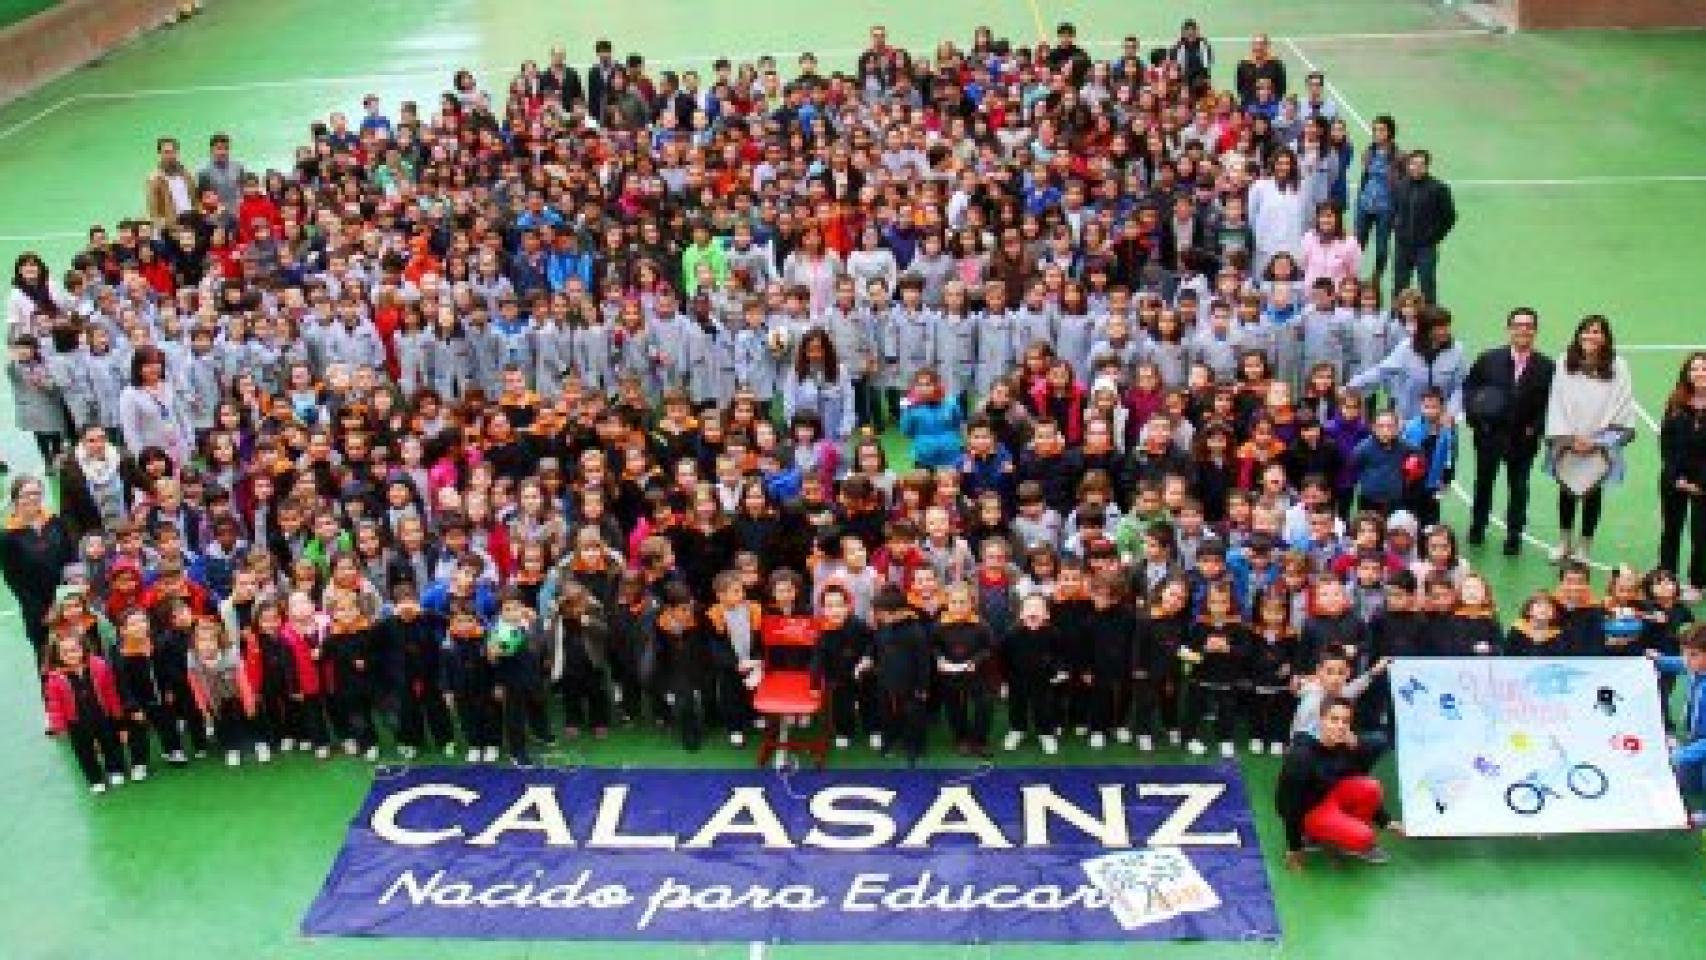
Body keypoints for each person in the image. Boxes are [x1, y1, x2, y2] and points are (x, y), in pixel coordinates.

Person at [1544, 315, 1635, 565]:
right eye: (1586, 330)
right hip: (1569, 440)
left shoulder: (1618, 365)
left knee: (1593, 494)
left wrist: (1599, 441)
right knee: (1566, 491)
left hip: (1601, 444)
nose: (1591, 336)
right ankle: (1564, 542)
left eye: (1597, 331)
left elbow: (1623, 403)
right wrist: (1569, 438)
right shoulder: (1565, 361)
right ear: (1578, 334)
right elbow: (1557, 399)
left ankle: (1584, 547)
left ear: (1605, 337)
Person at [1463, 307, 1555, 554]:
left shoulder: (1546, 367)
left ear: (1535, 331)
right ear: (1509, 329)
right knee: (1483, 483)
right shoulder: (1488, 359)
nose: (1523, 329)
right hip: (1489, 435)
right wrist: (1476, 421)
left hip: (1522, 440)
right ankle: (1478, 526)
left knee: (1519, 488)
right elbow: (1469, 390)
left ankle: (1514, 534)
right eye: (1518, 325)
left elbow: (1550, 404)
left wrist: (1535, 429)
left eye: (1528, 325)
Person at [1276, 697, 1400, 869]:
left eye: (1345, 721)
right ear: (1321, 720)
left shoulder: (1342, 745)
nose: (1340, 726)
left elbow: (1355, 779)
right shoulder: (1301, 756)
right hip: (1306, 810)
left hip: (1326, 796)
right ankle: (1311, 837)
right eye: (1334, 719)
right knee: (1364, 837)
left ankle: (1341, 838)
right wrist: (1294, 848)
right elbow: (1289, 806)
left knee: (1371, 787)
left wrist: (1386, 822)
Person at [1, 473, 77, 658]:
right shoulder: (7, 536)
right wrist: (44, 611)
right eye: (27, 494)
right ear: (15, 499)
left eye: (36, 493)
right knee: (49, 658)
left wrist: (70, 596)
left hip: (69, 603)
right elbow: (15, 582)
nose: (33, 498)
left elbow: (71, 558)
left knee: (79, 651)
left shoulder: (55, 522)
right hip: (39, 612)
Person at [1659, 352, 1706, 601]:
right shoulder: (1676, 402)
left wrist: (1699, 483)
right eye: (1694, 369)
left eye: (1703, 368)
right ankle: (1666, 578)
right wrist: (1676, 477)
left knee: (1701, 534)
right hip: (1675, 479)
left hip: (1703, 485)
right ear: (1687, 374)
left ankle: (1698, 582)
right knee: (1671, 530)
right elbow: (1667, 442)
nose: (1699, 373)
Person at [1650, 625, 1706, 828]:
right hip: (1697, 739)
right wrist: (1659, 661)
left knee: (1683, 760)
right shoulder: (1696, 667)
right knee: (1689, 782)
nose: (1686, 660)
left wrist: (1682, 754)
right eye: (1684, 653)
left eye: (1693, 655)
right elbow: (1680, 664)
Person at [1389, 149, 1456, 304]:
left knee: (1427, 285)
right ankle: (1397, 316)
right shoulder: (1400, 186)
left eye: (1420, 165)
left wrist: (1434, 237)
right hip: (1403, 245)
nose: (1416, 168)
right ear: (1408, 166)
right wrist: (1397, 228)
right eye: (1413, 164)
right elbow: (1394, 209)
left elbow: (1449, 217)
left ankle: (1429, 318)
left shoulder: (1439, 188)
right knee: (1400, 284)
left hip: (1425, 248)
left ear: (1427, 167)